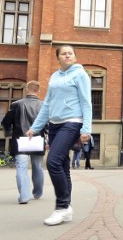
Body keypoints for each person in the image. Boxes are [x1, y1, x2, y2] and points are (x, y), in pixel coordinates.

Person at [26, 45, 92, 225]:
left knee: (52, 162)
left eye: (71, 53)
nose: (68, 55)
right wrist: (35, 127)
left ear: (75, 57)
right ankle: (67, 208)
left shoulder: (80, 75)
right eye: (64, 53)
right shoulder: (54, 77)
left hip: (72, 122)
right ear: (58, 58)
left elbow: (87, 102)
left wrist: (86, 128)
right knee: (62, 166)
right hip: (54, 125)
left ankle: (62, 207)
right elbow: (47, 104)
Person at [1, 80, 46, 204]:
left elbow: (5, 122)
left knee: (21, 168)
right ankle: (37, 193)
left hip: (20, 139)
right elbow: (47, 125)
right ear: (38, 90)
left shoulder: (16, 104)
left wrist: (8, 132)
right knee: (38, 167)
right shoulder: (43, 105)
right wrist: (48, 140)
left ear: (27, 89)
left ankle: (24, 196)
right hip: (37, 139)